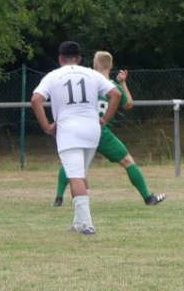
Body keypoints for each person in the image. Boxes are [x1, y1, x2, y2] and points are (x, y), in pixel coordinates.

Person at [53, 51, 165, 207]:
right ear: (110, 65)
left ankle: (58, 198)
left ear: (95, 64)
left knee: (70, 163)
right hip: (102, 133)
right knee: (128, 162)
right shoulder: (113, 86)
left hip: (83, 130)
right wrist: (123, 83)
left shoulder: (87, 82)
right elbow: (128, 104)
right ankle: (148, 198)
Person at [31, 41, 121, 235]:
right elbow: (115, 94)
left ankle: (87, 224)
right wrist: (104, 119)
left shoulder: (53, 76)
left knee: (75, 176)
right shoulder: (92, 74)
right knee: (80, 175)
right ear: (79, 58)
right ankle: (79, 222)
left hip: (68, 130)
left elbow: (36, 100)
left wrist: (47, 126)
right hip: (91, 128)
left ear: (60, 58)